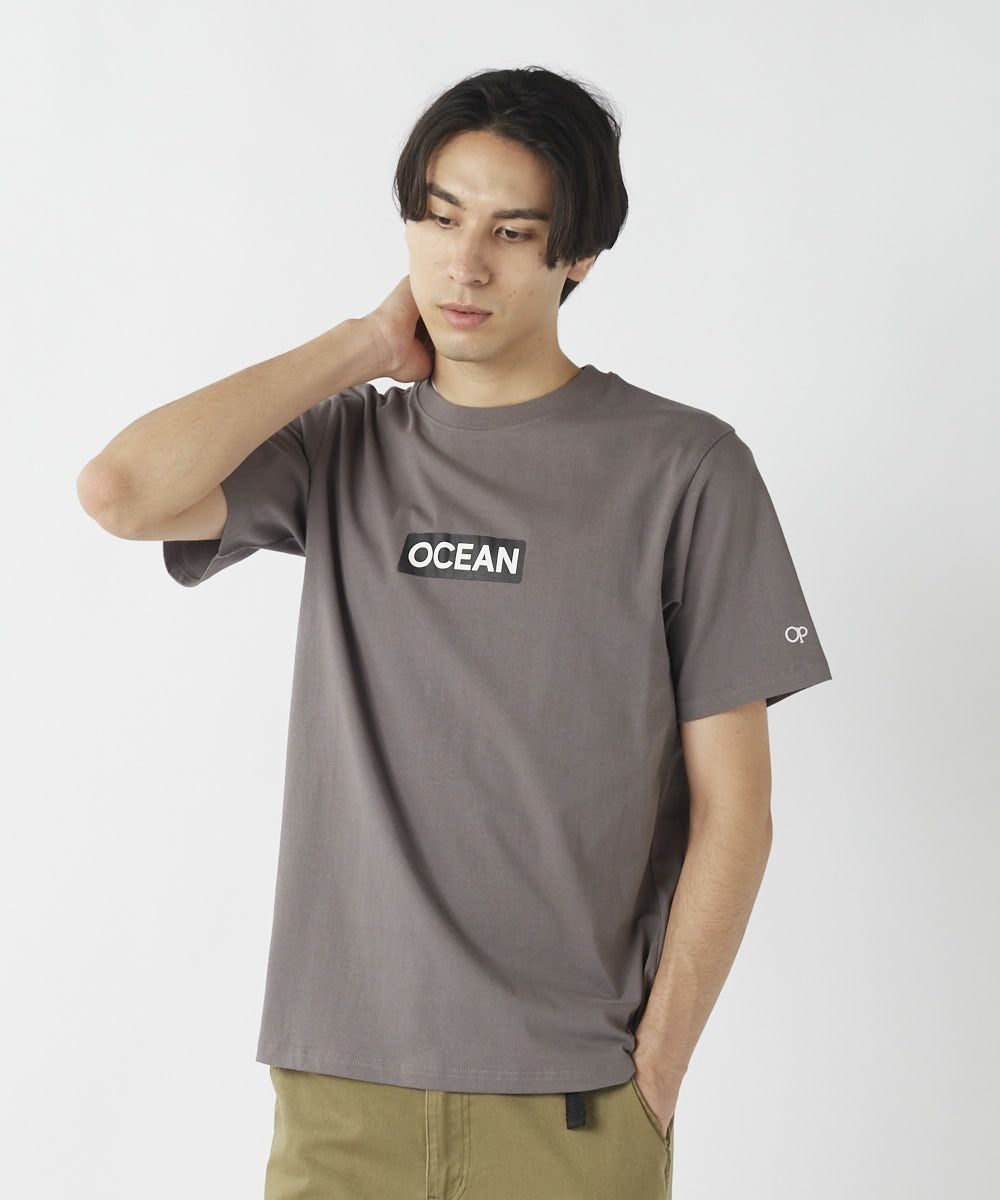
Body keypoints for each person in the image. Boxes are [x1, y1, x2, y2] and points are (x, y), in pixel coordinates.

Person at [77, 65, 832, 1200]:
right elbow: (121, 493)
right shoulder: (342, 447)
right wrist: (358, 346)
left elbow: (738, 807)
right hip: (341, 1092)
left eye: (512, 233)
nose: (463, 265)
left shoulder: (685, 469)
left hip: (572, 1101)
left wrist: (657, 1070)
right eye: (438, 219)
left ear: (580, 255)